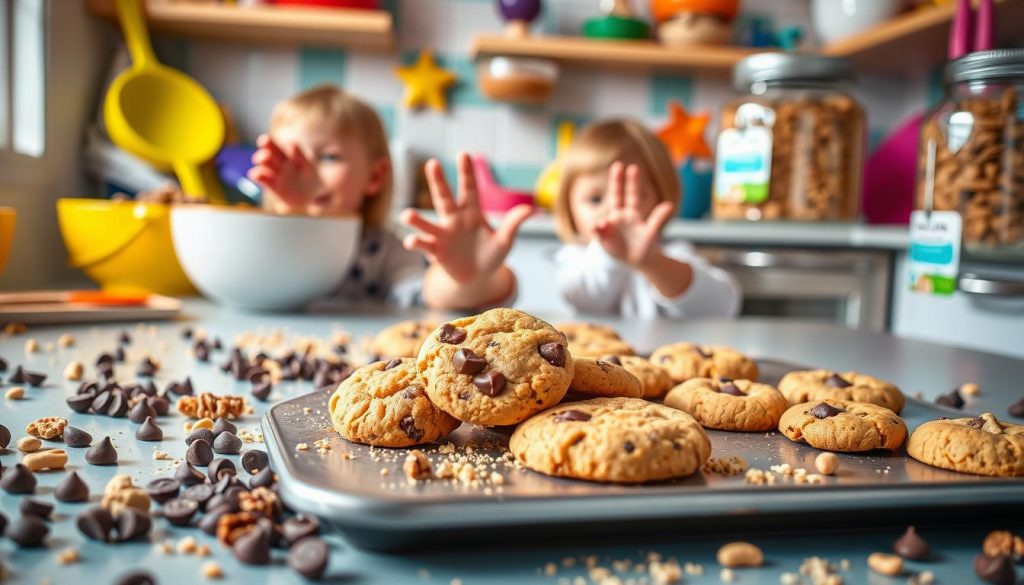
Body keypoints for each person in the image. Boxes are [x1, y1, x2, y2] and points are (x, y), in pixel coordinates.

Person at [248, 85, 530, 310]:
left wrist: (468, 278)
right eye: (288, 159)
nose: (305, 174)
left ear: (375, 177)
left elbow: (425, 294)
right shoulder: (254, 241)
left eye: (328, 156)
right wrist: (291, 217)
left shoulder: (383, 252)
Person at [553, 119, 740, 318]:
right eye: (595, 199)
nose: (614, 212)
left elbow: (722, 308)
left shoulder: (674, 254)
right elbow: (582, 297)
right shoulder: (573, 258)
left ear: (661, 199)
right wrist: (609, 255)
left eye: (632, 196)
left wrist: (653, 262)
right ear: (568, 207)